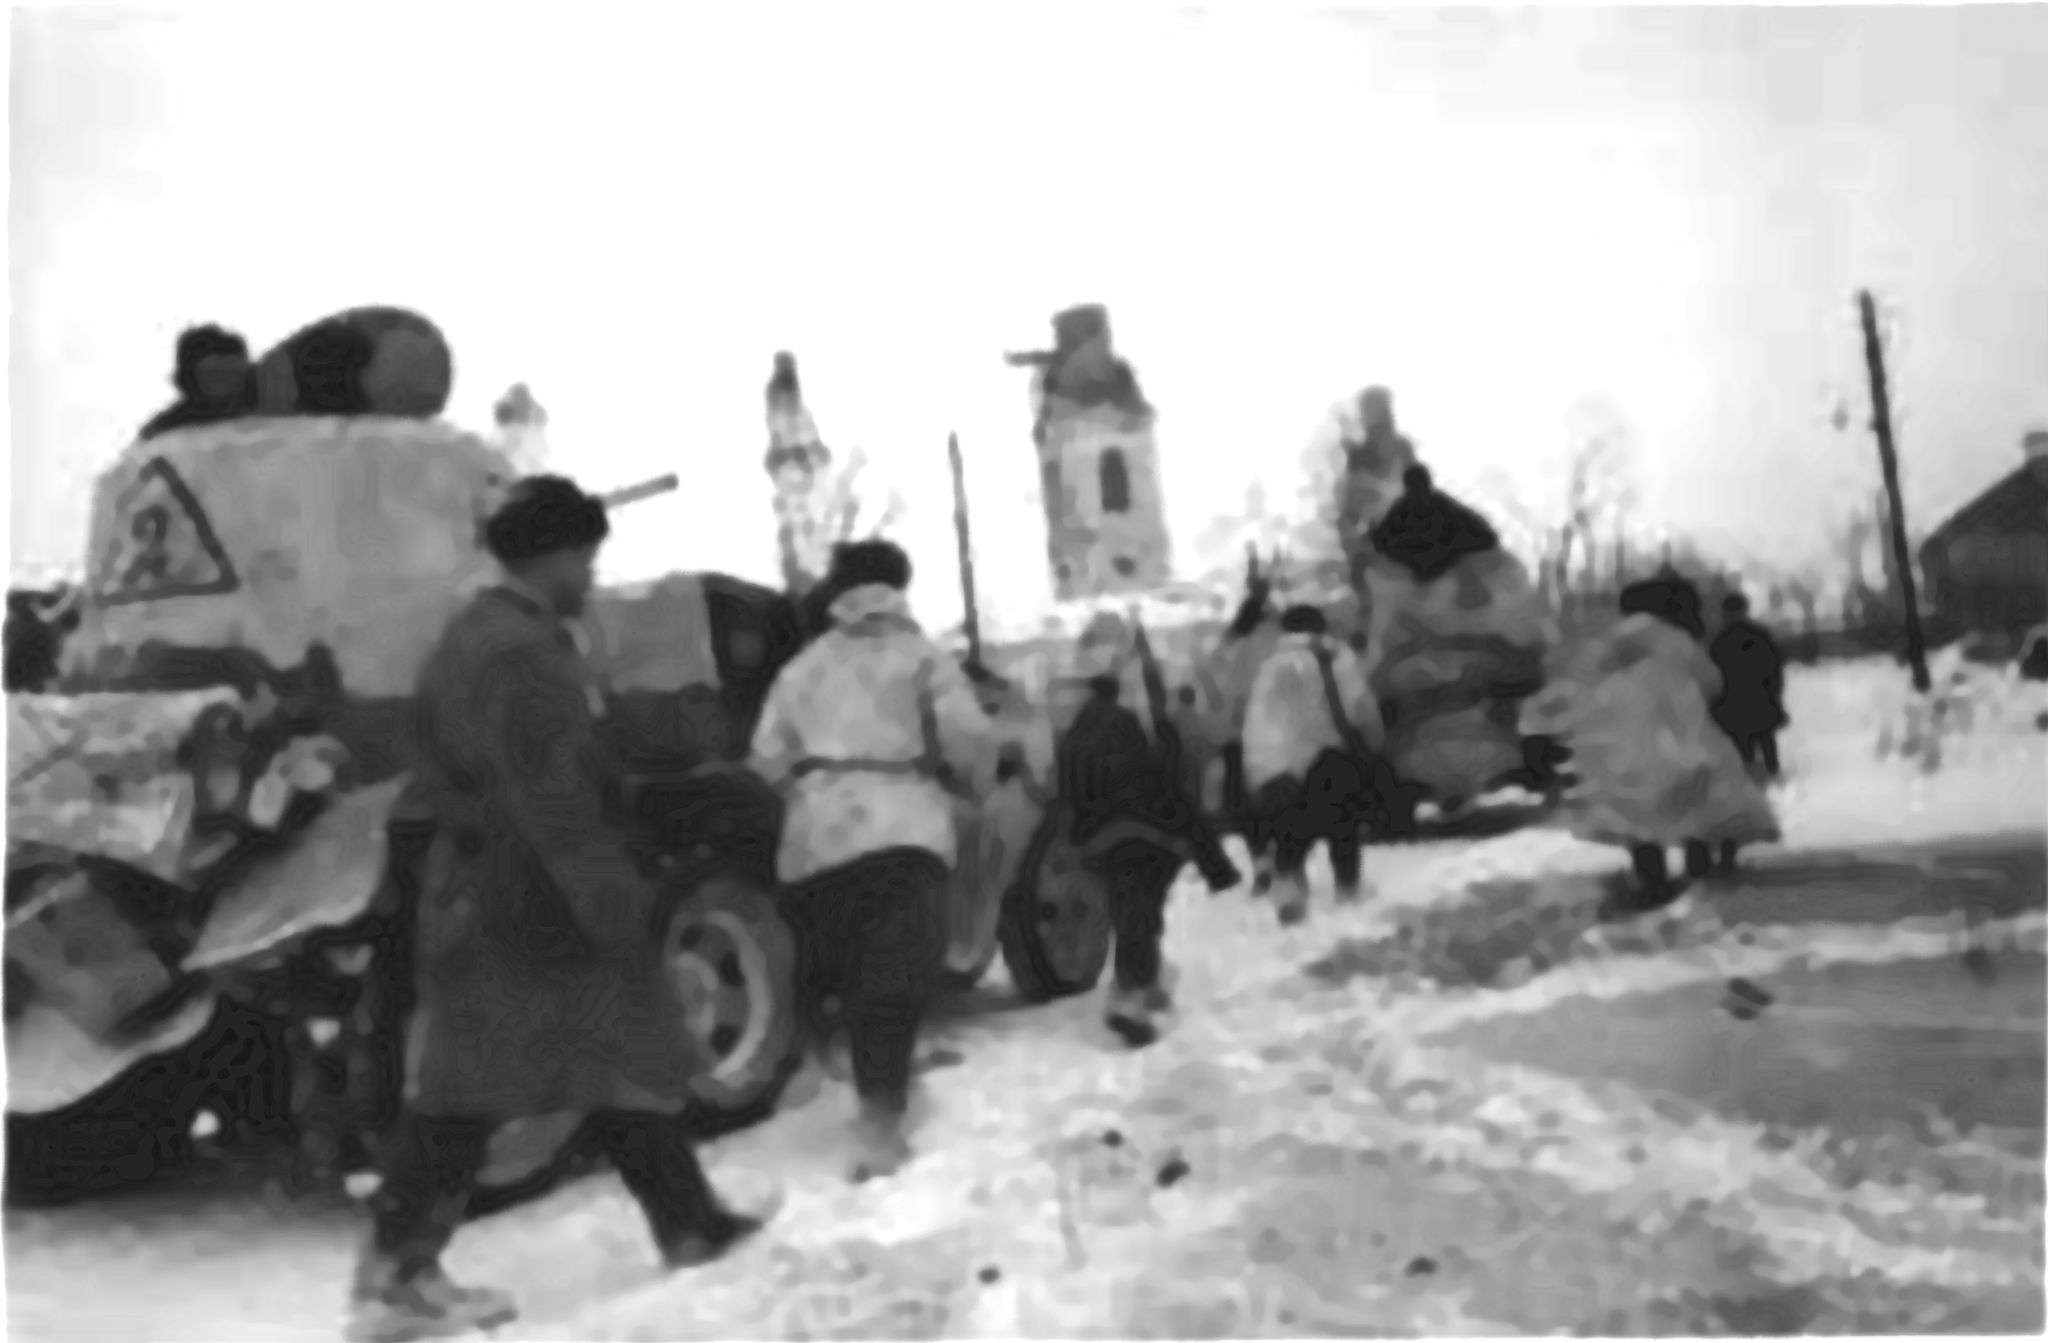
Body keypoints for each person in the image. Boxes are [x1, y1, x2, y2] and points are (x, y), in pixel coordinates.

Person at [351, 477, 767, 1343]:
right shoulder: (516, 653)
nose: (590, 571)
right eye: (585, 555)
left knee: (613, 1056)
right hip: (526, 896)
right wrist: (613, 898)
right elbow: (552, 795)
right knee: (465, 1091)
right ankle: (396, 1278)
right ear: (552, 554)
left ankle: (689, 1220)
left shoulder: (491, 638)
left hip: (503, 888)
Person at [745, 540, 1000, 1182]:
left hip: (813, 841)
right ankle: (878, 1124)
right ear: (898, 586)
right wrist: (971, 786)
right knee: (896, 976)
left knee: (846, 969)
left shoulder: (801, 668)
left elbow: (764, 760)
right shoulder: (919, 657)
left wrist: (809, 801)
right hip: (901, 828)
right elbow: (970, 741)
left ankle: (831, 1070)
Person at [1521, 572, 1780, 909]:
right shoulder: (1675, 641)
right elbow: (1711, 681)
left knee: (1636, 810)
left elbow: (1581, 682)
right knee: (1695, 802)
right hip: (1680, 735)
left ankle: (1651, 873)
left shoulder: (1611, 642)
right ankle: (1699, 863)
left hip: (1627, 742)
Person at [1241, 605, 1386, 926]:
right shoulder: (1335, 657)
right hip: (1327, 759)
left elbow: (1255, 721)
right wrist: (1375, 747)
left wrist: (1256, 772)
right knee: (1342, 832)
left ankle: (1291, 898)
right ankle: (1348, 895)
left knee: (1291, 838)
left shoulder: (1266, 664)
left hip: (1274, 765)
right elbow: (1361, 708)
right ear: (1321, 626)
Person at [1369, 463, 1502, 587]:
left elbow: (1482, 533)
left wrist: (1440, 549)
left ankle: (1433, 561)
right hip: (1421, 548)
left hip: (1444, 545)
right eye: (1414, 487)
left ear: (1427, 485)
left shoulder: (1442, 505)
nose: (1418, 491)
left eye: (1420, 485)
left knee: (1460, 536)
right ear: (1408, 488)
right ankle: (1431, 561)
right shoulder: (1403, 508)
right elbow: (1381, 536)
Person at [1707, 592, 1789, 780]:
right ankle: (1770, 777)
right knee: (1765, 747)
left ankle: (1757, 781)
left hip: (1737, 706)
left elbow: (1714, 677)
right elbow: (1774, 668)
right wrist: (1774, 694)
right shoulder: (1758, 636)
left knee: (1747, 752)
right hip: (1757, 701)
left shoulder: (1721, 642)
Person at [139, 325, 254, 439]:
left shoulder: (262, 416)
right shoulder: (165, 432)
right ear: (190, 378)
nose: (226, 384)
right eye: (214, 375)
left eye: (233, 373)